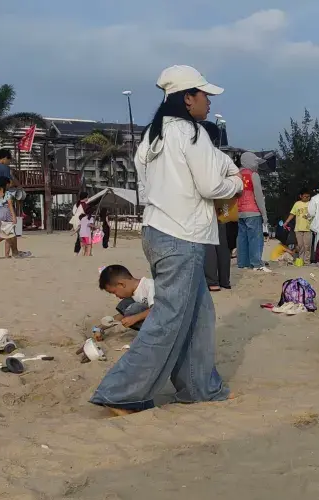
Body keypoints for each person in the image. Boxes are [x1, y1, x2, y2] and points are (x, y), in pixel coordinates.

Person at [90, 65, 242, 415]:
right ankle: (120, 393)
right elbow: (211, 185)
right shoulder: (191, 132)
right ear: (188, 98)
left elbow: (150, 187)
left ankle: (200, 387)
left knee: (199, 316)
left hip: (158, 231)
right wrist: (236, 184)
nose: (208, 101)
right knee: (168, 319)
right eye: (204, 95)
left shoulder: (152, 137)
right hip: (181, 236)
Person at [200, 120, 237, 291]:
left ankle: (211, 280)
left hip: (203, 202)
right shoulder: (223, 157)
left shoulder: (200, 155)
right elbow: (236, 176)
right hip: (221, 203)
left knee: (208, 241)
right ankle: (224, 279)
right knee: (222, 242)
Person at [236, 151, 269, 272]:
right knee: (255, 238)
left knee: (242, 238)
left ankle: (242, 263)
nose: (257, 165)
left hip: (239, 212)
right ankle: (256, 263)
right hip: (253, 212)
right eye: (256, 162)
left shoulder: (237, 175)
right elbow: (258, 196)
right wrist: (264, 215)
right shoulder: (253, 175)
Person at [97, 265, 155, 335]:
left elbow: (158, 309)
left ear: (121, 284)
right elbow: (123, 315)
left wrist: (135, 318)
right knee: (126, 303)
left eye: (114, 292)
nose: (116, 296)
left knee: (133, 307)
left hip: (163, 325)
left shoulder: (150, 285)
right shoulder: (133, 293)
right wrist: (99, 328)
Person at [0, 176, 22, 258]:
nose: (10, 185)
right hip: (6, 214)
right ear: (6, 184)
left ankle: (7, 254)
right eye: (9, 183)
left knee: (9, 234)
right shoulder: (8, 193)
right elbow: (10, 205)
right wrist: (14, 216)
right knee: (6, 234)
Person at [282, 187, 313, 264]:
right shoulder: (297, 204)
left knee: (307, 246)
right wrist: (286, 222)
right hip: (298, 228)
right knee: (300, 245)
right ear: (300, 196)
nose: (307, 198)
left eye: (308, 196)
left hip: (308, 228)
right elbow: (292, 214)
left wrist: (309, 216)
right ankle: (301, 260)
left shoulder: (312, 204)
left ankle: (307, 261)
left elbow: (315, 214)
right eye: (305, 196)